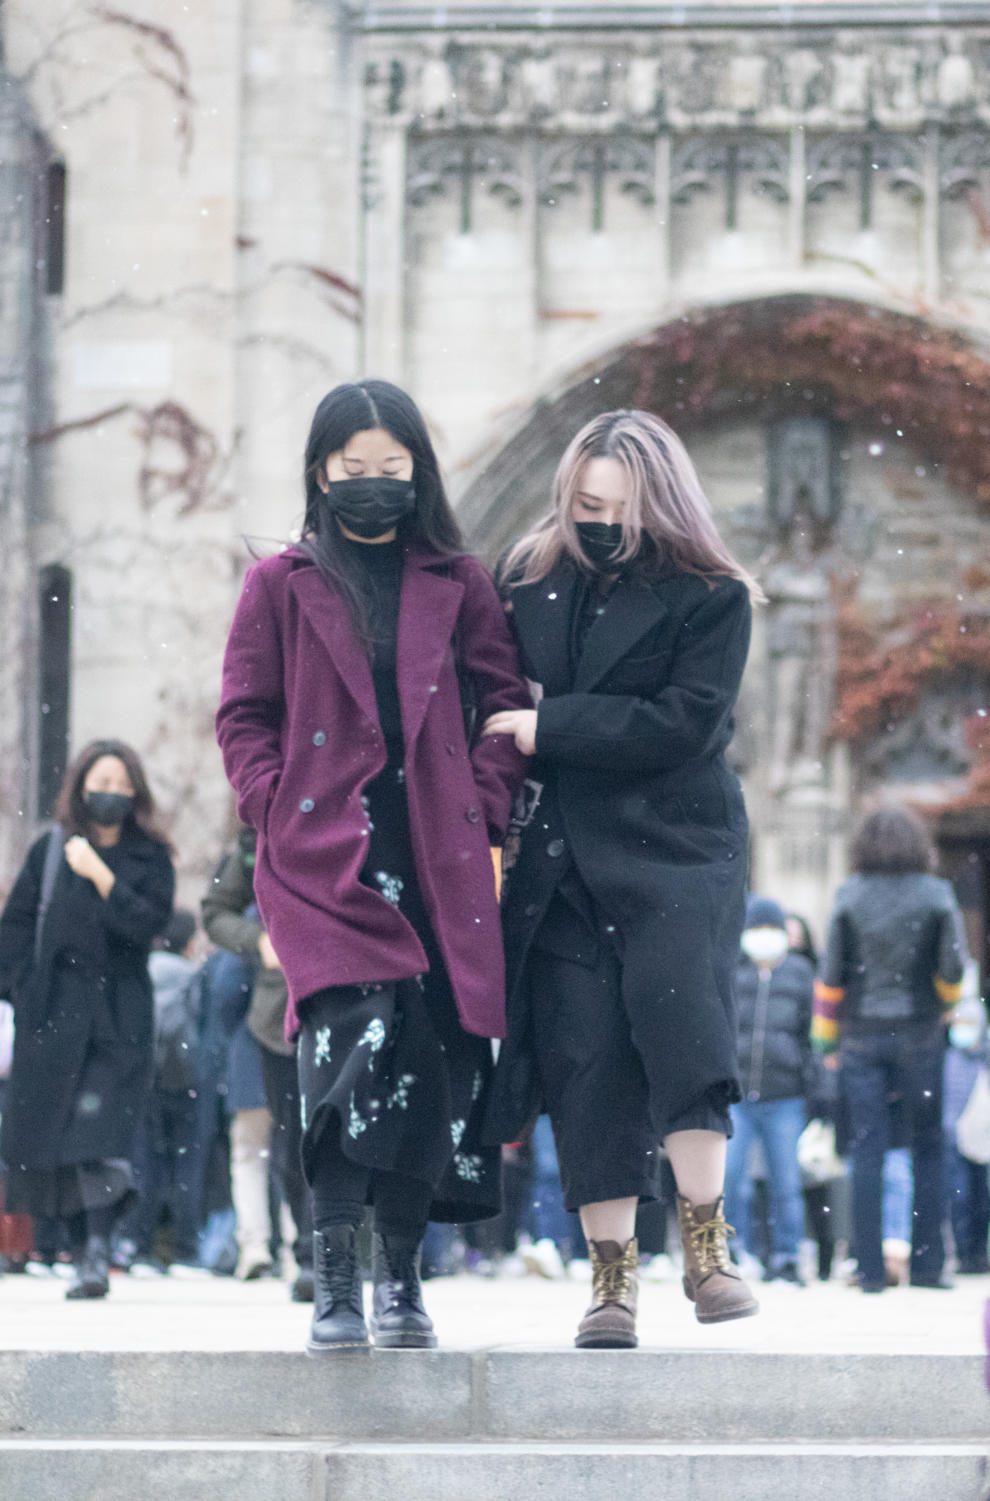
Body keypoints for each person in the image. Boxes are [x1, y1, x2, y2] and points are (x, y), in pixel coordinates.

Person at [216, 379, 529, 1352]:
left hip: (437, 852)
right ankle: (334, 1279)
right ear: (321, 472)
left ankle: (403, 1277)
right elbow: (242, 715)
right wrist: (274, 805)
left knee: (428, 1059)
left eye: (392, 469)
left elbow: (502, 700)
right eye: (354, 469)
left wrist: (485, 803)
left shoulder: (460, 580)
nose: (373, 486)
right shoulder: (280, 584)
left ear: (418, 473)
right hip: (325, 853)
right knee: (343, 1058)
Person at [483, 407, 763, 1348]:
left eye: (622, 506)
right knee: (585, 1056)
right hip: (560, 853)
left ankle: (706, 1238)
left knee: (682, 1017)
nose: (600, 520)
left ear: (663, 501)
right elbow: (490, 697)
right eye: (586, 502)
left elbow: (683, 724)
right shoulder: (526, 579)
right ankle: (611, 1277)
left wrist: (552, 723)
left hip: (674, 843)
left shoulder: (711, 595)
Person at [0, 739, 175, 1299]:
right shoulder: (50, 850)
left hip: (119, 1016)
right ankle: (82, 1251)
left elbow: (148, 926)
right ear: (80, 786)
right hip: (52, 1014)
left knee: (98, 1135)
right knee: (53, 1138)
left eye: (124, 786)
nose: (113, 794)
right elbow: (16, 928)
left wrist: (103, 877)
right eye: (103, 782)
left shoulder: (151, 857)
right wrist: (24, 992)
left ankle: (98, 1248)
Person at [813, 805, 967, 1292]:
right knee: (928, 1147)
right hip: (920, 1034)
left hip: (861, 1037)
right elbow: (955, 969)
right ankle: (926, 1264)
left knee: (867, 1150)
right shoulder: (937, 894)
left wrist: (825, 1040)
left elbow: (831, 975)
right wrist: (943, 1005)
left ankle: (869, 1268)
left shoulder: (848, 895)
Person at [202, 830, 314, 1300]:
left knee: (295, 1144)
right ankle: (281, 1249)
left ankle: (300, 1249)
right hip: (268, 1023)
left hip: (336, 1002)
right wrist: (261, 940)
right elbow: (216, 913)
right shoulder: (255, 842)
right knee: (271, 1143)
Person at [724, 896, 814, 1285]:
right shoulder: (732, 971)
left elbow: (814, 1035)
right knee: (729, 1177)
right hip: (739, 1095)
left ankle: (786, 1256)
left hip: (785, 1094)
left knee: (786, 1182)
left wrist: (813, 1084)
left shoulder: (801, 973)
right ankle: (732, 1249)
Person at [128, 908, 206, 1273]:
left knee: (144, 1163)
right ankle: (185, 1252)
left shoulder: (139, 970)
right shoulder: (194, 976)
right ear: (189, 942)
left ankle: (139, 1247)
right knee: (187, 1166)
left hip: (145, 1081)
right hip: (188, 1080)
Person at [943, 996, 990, 1275]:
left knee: (981, 1198)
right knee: (959, 1198)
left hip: (984, 1139)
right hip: (955, 1139)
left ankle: (978, 1253)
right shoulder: (948, 1059)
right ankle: (964, 1254)